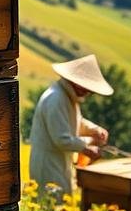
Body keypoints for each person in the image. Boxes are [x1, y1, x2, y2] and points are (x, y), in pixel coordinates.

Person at [29, 54, 113, 198]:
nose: (88, 92)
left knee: (60, 203)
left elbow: (76, 121)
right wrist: (87, 146)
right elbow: (61, 139)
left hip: (59, 161)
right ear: (76, 82)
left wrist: (95, 130)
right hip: (49, 163)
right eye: (87, 87)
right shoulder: (56, 99)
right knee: (51, 204)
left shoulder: (66, 97)